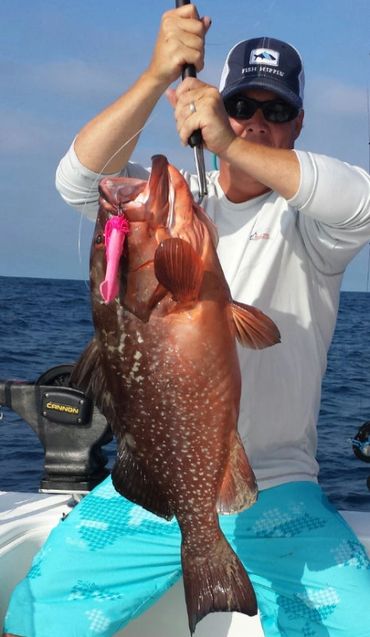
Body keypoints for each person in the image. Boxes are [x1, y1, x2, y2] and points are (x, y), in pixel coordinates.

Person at [4, 4, 370, 637]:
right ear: (210, 106)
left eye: (276, 110)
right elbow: (77, 180)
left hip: (277, 485)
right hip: (152, 486)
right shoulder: (172, 203)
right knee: (36, 614)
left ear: (299, 123)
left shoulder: (311, 225)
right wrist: (154, 78)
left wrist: (225, 143)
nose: (256, 122)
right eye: (240, 107)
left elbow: (361, 198)